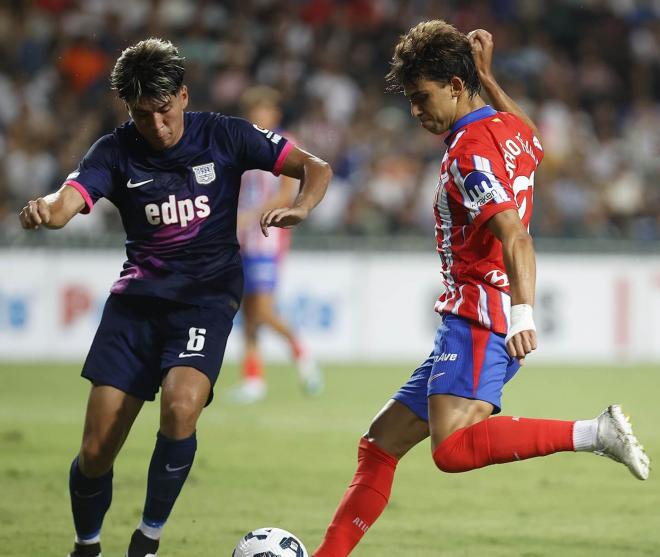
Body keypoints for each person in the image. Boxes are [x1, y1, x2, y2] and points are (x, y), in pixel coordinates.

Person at [312, 22, 649, 557]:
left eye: (422, 98)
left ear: (452, 83)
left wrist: (522, 314)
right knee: (378, 444)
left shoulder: (468, 152)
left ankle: (594, 433)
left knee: (452, 450)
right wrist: (489, 79)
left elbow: (514, 233)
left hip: (479, 314)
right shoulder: (508, 129)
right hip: (473, 315)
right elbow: (533, 139)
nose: (417, 112)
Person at [18, 38, 332, 557]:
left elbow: (314, 167)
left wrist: (301, 206)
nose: (157, 126)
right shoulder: (114, 150)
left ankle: (148, 539)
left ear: (183, 96)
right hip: (136, 304)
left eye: (164, 111)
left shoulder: (226, 135)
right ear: (129, 110)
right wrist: (46, 210)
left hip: (205, 298)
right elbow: (67, 199)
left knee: (181, 405)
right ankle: (86, 545)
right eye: (144, 116)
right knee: (96, 451)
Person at [230, 86, 323, 404]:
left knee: (263, 310)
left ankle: (302, 352)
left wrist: (252, 216)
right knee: (246, 310)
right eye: (254, 110)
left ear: (275, 114)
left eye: (265, 110)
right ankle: (253, 380)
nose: (259, 115)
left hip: (266, 239)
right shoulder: (241, 144)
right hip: (240, 238)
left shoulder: (286, 145)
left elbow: (287, 193)